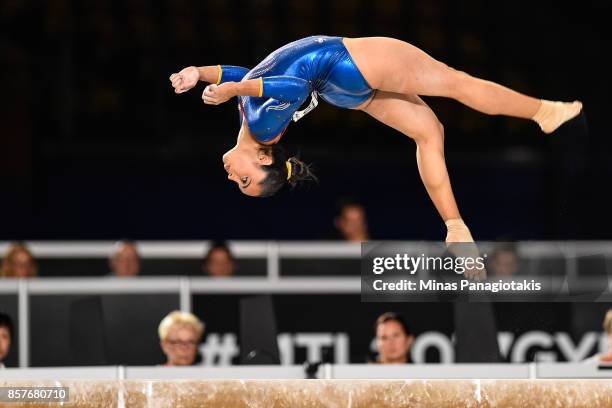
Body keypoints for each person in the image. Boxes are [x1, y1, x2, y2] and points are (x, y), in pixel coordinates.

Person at [170, 35, 582, 244]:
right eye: (245, 182)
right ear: (263, 161)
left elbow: (247, 74)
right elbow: (291, 86)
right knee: (456, 84)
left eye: (238, 184)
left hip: (340, 85)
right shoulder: (260, 126)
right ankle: (543, 111)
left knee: (429, 134)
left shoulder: (252, 120)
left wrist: (201, 73)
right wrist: (232, 91)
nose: (231, 177)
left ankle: (455, 226)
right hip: (350, 63)